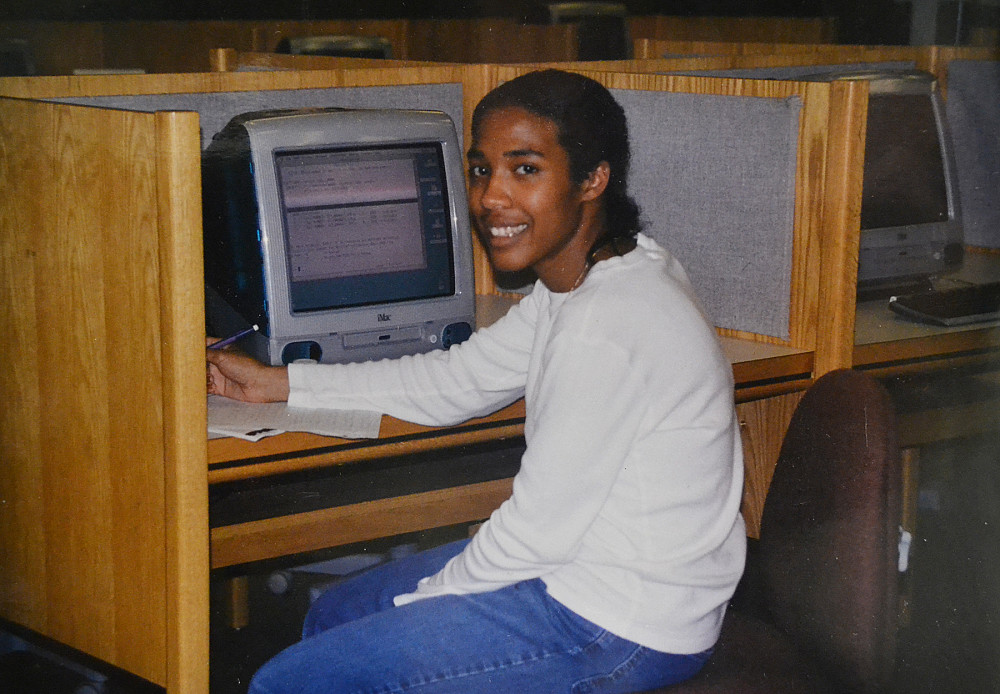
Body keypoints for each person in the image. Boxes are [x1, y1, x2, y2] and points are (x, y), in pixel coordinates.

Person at [207, 69, 746, 694]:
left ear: (592, 179)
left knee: (288, 683)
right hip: (586, 577)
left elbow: (532, 537)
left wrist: (423, 608)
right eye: (482, 169)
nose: (491, 198)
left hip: (620, 623)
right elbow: (456, 380)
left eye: (526, 169)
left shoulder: (607, 326)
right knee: (336, 615)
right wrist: (282, 385)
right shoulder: (595, 273)